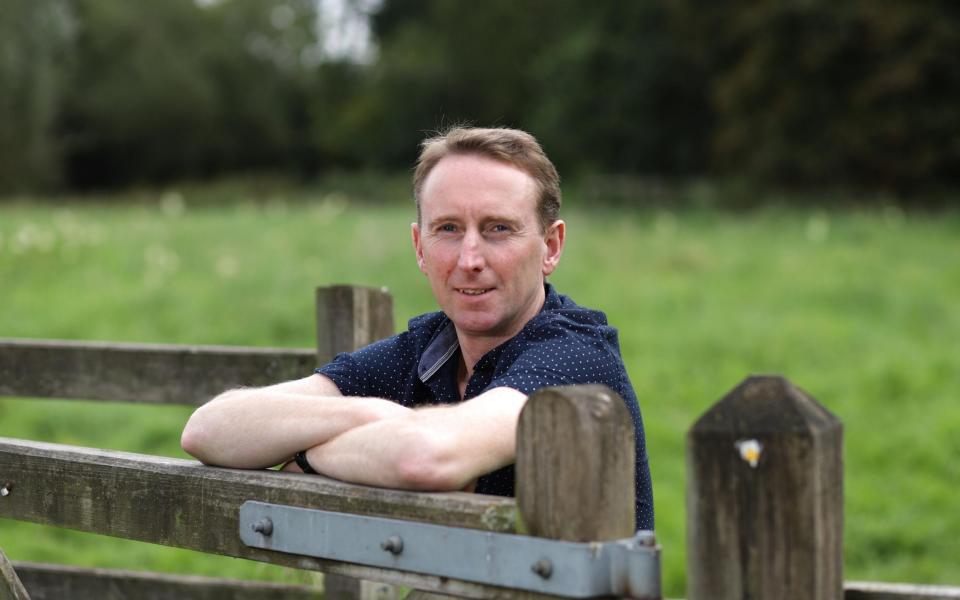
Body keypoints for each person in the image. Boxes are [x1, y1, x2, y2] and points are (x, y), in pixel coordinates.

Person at [180, 126, 654, 530]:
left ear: (551, 246)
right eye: (448, 229)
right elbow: (208, 429)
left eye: (498, 229)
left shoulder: (573, 354)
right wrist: (371, 417)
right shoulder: (428, 347)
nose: (469, 260)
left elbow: (425, 457)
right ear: (419, 247)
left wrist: (307, 454)